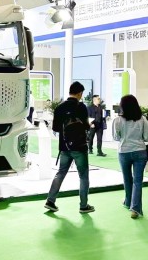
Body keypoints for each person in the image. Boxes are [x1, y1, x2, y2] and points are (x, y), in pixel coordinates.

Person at [44, 81, 95, 214]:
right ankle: (83, 206)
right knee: (83, 176)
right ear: (79, 93)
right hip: (80, 147)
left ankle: (50, 201)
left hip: (64, 147)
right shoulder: (81, 107)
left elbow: (55, 128)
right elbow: (86, 126)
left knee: (61, 173)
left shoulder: (60, 107)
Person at [113, 94, 148, 219]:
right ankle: (135, 208)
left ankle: (128, 201)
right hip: (140, 151)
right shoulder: (143, 119)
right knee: (137, 181)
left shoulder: (117, 120)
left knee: (127, 179)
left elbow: (116, 137)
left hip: (123, 151)